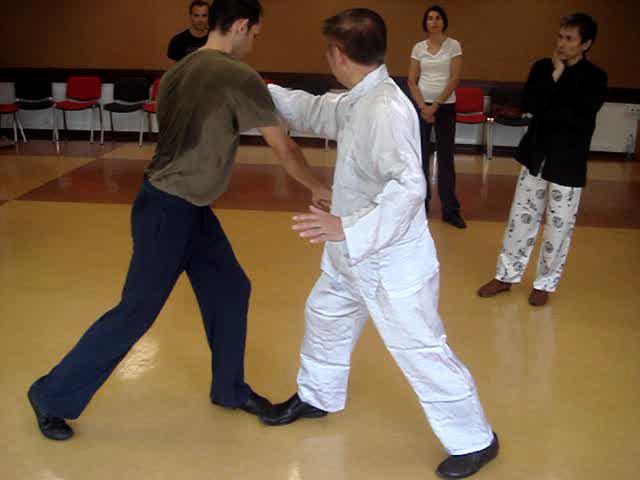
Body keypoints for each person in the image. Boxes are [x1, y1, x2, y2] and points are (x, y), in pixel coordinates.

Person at [27, 0, 330, 442]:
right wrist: (318, 188)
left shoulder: (177, 72)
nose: (254, 43)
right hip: (171, 210)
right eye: (256, 34)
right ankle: (51, 395)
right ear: (242, 26)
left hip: (183, 206)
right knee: (136, 311)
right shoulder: (238, 75)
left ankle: (229, 389)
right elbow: (284, 149)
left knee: (231, 288)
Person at [263, 9, 498, 479]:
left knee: (420, 348)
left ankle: (475, 438)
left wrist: (349, 229)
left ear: (339, 54)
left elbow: (410, 188)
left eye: (328, 49)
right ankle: (317, 396)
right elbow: (317, 111)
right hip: (350, 256)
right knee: (324, 317)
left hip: (391, 262)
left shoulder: (387, 109)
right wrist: (262, 91)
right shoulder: (359, 98)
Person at [477, 13, 607, 307]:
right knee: (520, 221)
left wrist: (550, 105)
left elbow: (579, 119)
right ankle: (506, 275)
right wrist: (556, 75)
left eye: (570, 38)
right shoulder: (543, 68)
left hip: (568, 163)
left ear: (586, 44)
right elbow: (530, 106)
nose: (562, 43)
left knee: (558, 227)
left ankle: (545, 282)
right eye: (560, 36)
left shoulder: (596, 78)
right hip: (535, 156)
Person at [408, 5, 466, 229]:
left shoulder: (454, 46)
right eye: (430, 18)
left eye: (438, 18)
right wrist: (424, 106)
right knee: (420, 159)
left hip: (445, 107)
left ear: (444, 22)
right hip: (422, 108)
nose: (434, 21)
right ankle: (420, 207)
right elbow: (412, 81)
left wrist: (436, 106)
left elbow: (454, 79)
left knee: (445, 160)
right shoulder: (418, 48)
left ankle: (450, 210)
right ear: (425, 23)